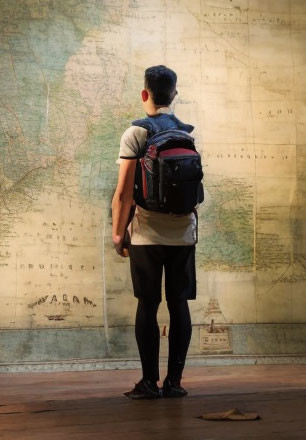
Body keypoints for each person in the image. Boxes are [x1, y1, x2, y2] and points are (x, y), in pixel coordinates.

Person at [111, 65, 198, 400]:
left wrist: (119, 234)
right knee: (179, 305)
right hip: (184, 234)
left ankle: (149, 383)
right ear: (173, 95)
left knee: (148, 305)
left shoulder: (136, 133)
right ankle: (174, 383)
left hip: (147, 235)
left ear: (144, 94)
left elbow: (123, 193)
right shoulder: (187, 134)